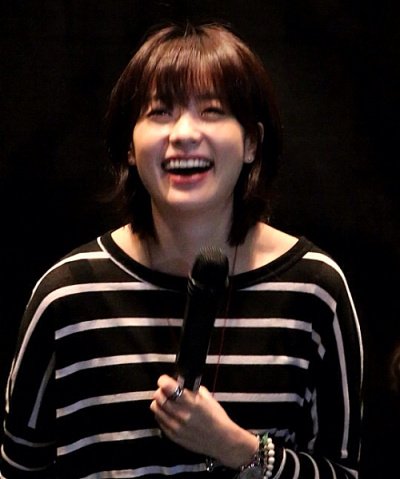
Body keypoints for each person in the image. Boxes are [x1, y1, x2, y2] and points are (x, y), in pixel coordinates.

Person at [0, 22, 363, 478]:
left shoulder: (315, 290)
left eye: (212, 111)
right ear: (129, 146)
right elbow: (18, 469)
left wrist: (240, 449)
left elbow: (344, 472)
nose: (185, 133)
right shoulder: (66, 296)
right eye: (160, 112)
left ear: (252, 143)